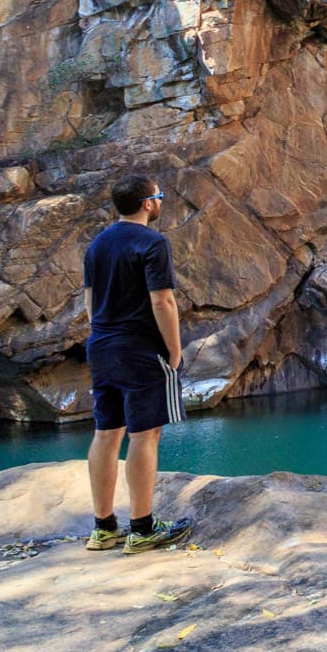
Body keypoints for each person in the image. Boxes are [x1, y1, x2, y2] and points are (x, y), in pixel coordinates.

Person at [81, 174, 194, 553]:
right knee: (145, 435)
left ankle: (103, 527)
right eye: (159, 196)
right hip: (141, 351)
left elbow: (89, 301)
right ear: (148, 203)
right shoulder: (152, 242)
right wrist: (174, 351)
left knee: (106, 433)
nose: (161, 201)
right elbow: (162, 300)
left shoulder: (97, 245)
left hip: (101, 346)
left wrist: (104, 334)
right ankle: (143, 528)